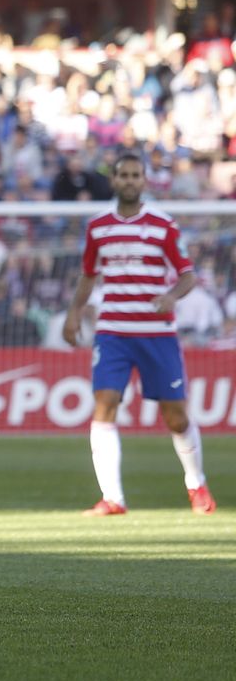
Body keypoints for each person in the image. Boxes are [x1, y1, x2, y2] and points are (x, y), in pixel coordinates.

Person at [61, 154, 214, 516]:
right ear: (114, 181)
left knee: (175, 416)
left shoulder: (163, 225)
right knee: (104, 405)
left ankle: (196, 483)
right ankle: (113, 498)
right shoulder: (98, 227)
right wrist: (74, 314)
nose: (129, 181)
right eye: (123, 175)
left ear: (144, 181)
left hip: (156, 333)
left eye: (135, 175)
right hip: (113, 331)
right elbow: (88, 275)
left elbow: (187, 275)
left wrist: (170, 296)